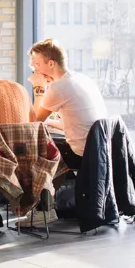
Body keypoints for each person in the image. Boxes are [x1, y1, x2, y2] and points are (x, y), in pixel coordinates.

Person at [28, 39, 107, 170]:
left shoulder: (59, 87)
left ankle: (43, 190)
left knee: (33, 150)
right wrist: (50, 123)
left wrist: (39, 88)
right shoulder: (82, 79)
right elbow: (78, 122)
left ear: (51, 64)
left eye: (37, 64)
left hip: (80, 155)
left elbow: (35, 122)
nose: (35, 70)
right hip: (99, 152)